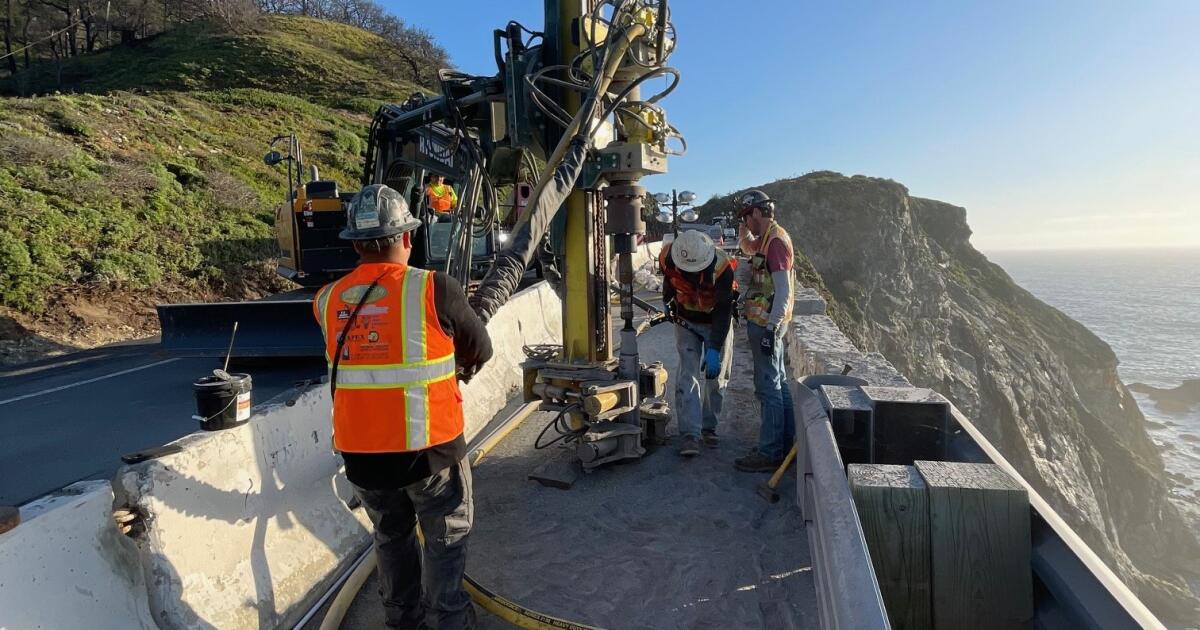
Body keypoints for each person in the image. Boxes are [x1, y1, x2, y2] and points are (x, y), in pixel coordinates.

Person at [312, 184, 491, 629]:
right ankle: (448, 620)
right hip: (429, 451)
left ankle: (401, 621)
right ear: (408, 237)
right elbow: (480, 350)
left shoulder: (326, 300)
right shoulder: (434, 289)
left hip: (362, 456)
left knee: (391, 538)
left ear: (355, 244)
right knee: (445, 539)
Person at [731, 189, 797, 473]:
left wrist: (771, 329)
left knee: (768, 387)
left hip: (768, 325)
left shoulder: (776, 243)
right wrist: (743, 232)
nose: (746, 221)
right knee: (779, 383)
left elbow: (783, 291)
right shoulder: (766, 238)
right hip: (768, 324)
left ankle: (770, 452)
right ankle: (784, 444)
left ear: (757, 212)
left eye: (747, 216)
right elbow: (748, 249)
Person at [659, 229, 737, 457]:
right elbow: (668, 281)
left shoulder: (722, 268)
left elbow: (723, 311)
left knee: (716, 377)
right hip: (686, 321)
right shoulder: (667, 257)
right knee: (687, 375)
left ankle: (709, 428)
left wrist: (714, 348)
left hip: (716, 322)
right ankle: (689, 434)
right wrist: (666, 301)